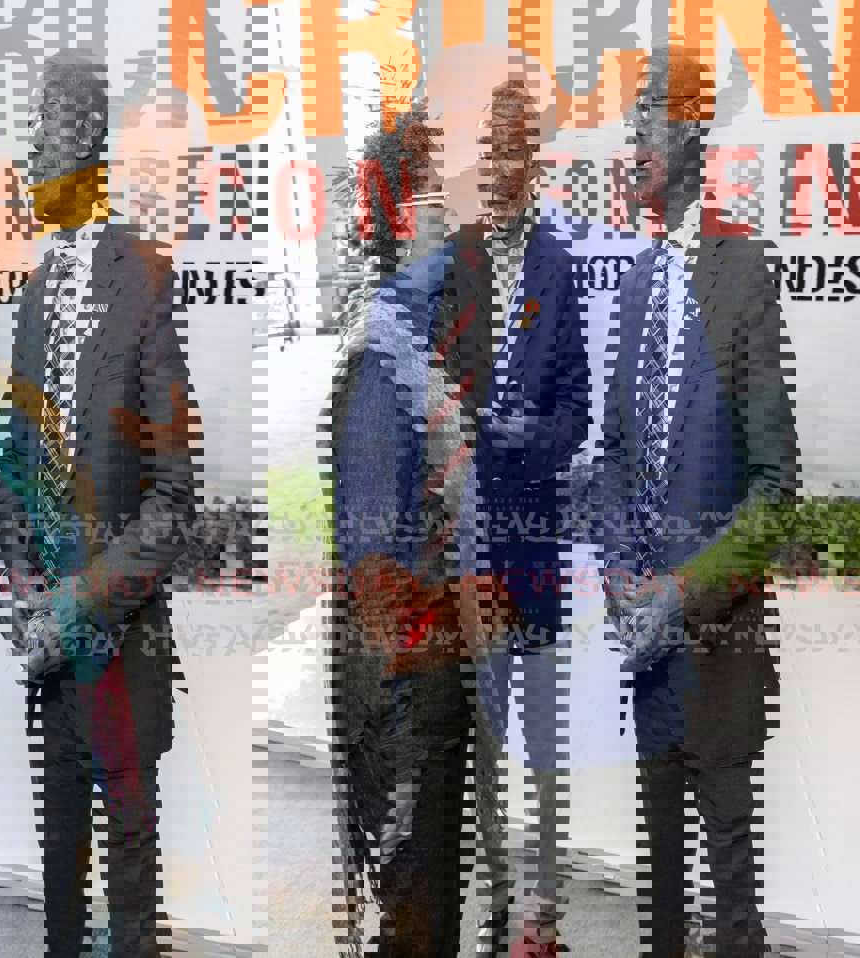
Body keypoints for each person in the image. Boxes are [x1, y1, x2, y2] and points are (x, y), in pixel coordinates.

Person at [0, 50, 197, 958]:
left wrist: (80, 605)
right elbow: (21, 470)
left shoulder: (146, 279)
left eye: (41, 135)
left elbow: (175, 500)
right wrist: (22, 589)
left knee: (128, 907)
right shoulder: (33, 298)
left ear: (83, 140)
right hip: (50, 665)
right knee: (61, 902)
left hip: (119, 649)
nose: (29, 158)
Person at [601, 46, 797, 958]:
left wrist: (683, 594)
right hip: (645, 653)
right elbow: (612, 460)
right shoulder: (631, 283)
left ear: (689, 134)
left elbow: (774, 492)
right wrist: (619, 577)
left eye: (646, 118)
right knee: (662, 903)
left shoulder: (743, 272)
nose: (630, 138)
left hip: (717, 648)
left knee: (731, 907)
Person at [331, 89, 523, 957]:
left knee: (433, 902)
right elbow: (379, 574)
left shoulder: (437, 349)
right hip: (405, 698)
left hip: (433, 687)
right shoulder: (387, 358)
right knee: (415, 915)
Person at [428, 47, 591, 957]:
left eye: (518, 148)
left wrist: (528, 437)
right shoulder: (448, 265)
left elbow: (577, 408)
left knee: (545, 744)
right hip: (466, 546)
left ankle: (546, 915)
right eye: (491, 146)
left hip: (535, 539)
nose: (502, 163)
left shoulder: (557, 265)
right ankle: (498, 908)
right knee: (484, 738)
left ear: (535, 159)